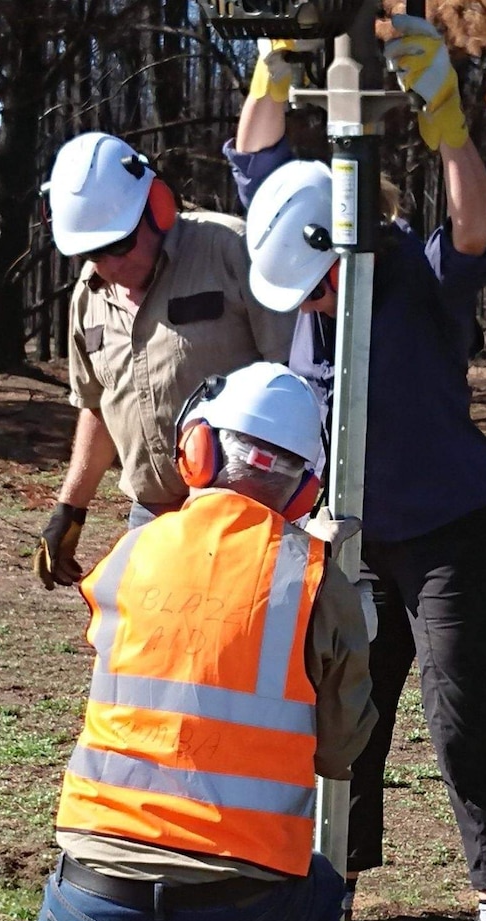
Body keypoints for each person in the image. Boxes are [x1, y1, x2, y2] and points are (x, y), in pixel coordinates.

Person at [0, 363, 377, 921]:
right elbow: (343, 751)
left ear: (196, 449)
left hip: (96, 897)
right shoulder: (319, 577)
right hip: (241, 907)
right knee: (320, 893)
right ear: (304, 487)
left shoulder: (132, 554)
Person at [224, 14, 486, 921]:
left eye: (311, 283)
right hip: (349, 542)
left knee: (461, 733)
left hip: (450, 537)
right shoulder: (296, 256)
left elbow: (474, 226)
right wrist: (277, 62)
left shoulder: (412, 280)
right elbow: (258, 153)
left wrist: (445, 121)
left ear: (343, 248)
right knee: (340, 734)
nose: (301, 303)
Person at [33, 131, 296, 590]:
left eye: (119, 244)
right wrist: (70, 508)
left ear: (157, 207)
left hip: (244, 520)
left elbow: (296, 379)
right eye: (91, 252)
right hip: (152, 518)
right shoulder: (87, 298)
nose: (108, 264)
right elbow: (98, 405)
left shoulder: (230, 251)